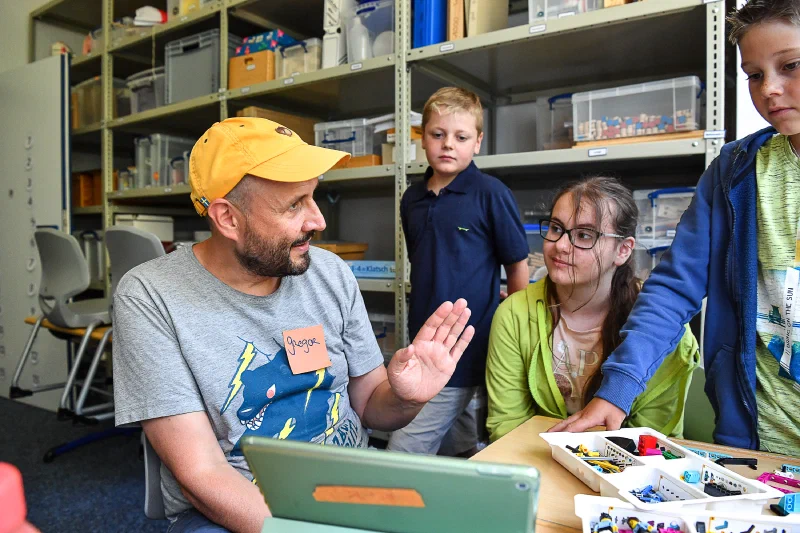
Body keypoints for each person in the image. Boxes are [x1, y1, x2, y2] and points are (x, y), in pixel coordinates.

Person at [112, 117, 475, 532]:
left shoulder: (330, 273)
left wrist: (408, 398)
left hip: (352, 488)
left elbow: (371, 406)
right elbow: (202, 475)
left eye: (313, 196)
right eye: (294, 205)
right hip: (238, 506)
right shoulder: (150, 296)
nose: (318, 221)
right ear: (228, 218)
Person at [550, 0, 800, 457]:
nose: (769, 89)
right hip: (757, 440)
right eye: (754, 74)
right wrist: (617, 389)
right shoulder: (734, 171)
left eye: (791, 66)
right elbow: (672, 287)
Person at [486, 177, 699, 442]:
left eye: (584, 235)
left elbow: (649, 440)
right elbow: (507, 426)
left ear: (623, 250)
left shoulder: (663, 329)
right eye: (556, 228)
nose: (560, 245)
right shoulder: (514, 314)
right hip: (536, 459)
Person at [386, 87, 530, 456]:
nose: (448, 144)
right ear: (422, 138)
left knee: (404, 450)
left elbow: (517, 265)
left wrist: (514, 332)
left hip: (469, 343)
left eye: (461, 137)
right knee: (460, 442)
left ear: (477, 142)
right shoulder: (411, 200)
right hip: (425, 339)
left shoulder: (491, 194)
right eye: (438, 134)